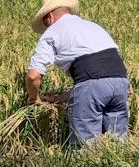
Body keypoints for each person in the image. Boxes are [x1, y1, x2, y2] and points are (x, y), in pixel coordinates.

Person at [26, 0, 129, 145]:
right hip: (120, 82)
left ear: (50, 17)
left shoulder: (53, 31)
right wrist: (57, 98)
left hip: (91, 84)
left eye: (45, 24)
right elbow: (101, 81)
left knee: (86, 148)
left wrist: (34, 97)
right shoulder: (94, 26)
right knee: (117, 143)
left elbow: (33, 76)